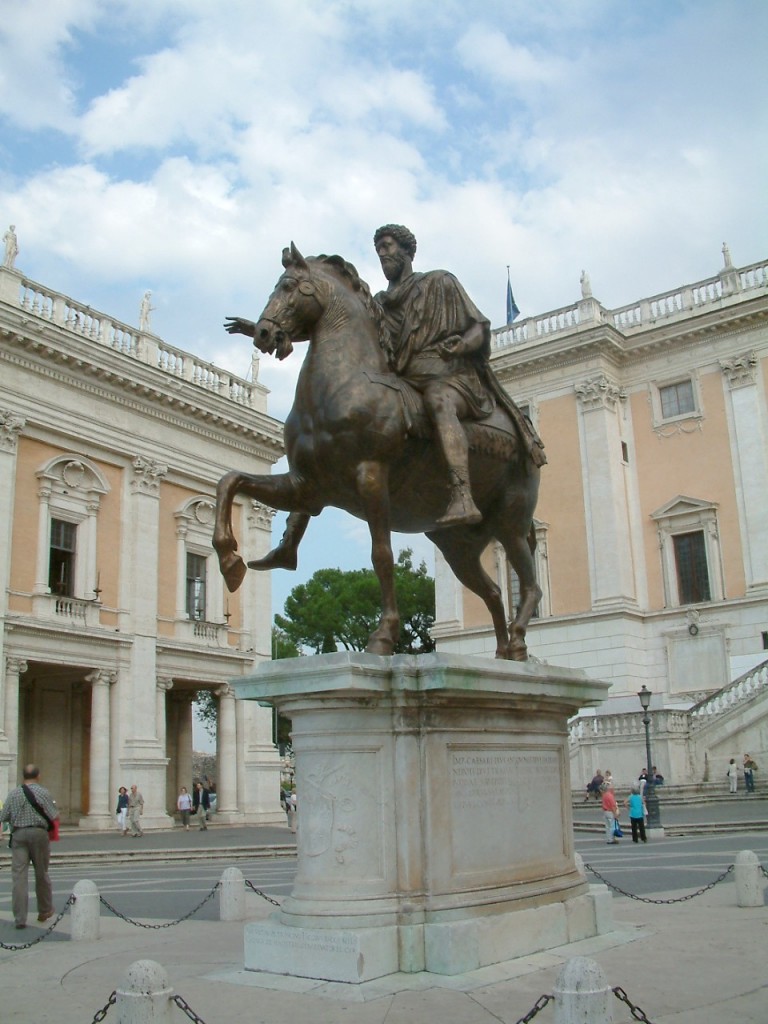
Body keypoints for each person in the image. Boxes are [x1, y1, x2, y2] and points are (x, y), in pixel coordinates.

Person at [372, 224, 546, 527]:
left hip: (453, 379)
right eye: (378, 250)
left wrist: (462, 345)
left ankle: (462, 493)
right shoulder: (380, 304)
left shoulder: (440, 282)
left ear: (407, 251)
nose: (382, 254)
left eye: (387, 246)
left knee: (439, 400)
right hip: (406, 382)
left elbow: (479, 327)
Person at [0, 764, 58, 929]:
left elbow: (3, 816)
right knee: (41, 873)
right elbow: (54, 814)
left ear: (22, 776)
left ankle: (20, 918)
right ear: (38, 776)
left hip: (19, 834)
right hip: (39, 834)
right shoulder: (43, 792)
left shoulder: (14, 793)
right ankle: (44, 909)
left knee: (19, 877)